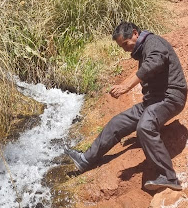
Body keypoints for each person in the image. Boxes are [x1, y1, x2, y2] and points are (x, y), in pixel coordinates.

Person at [65, 22, 187, 191]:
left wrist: (127, 85)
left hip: (170, 97)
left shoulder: (153, 42)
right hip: (153, 101)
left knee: (145, 126)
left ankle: (168, 177)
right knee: (117, 122)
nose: (124, 49)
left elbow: (155, 62)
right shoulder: (144, 48)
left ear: (135, 33)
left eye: (125, 44)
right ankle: (86, 159)